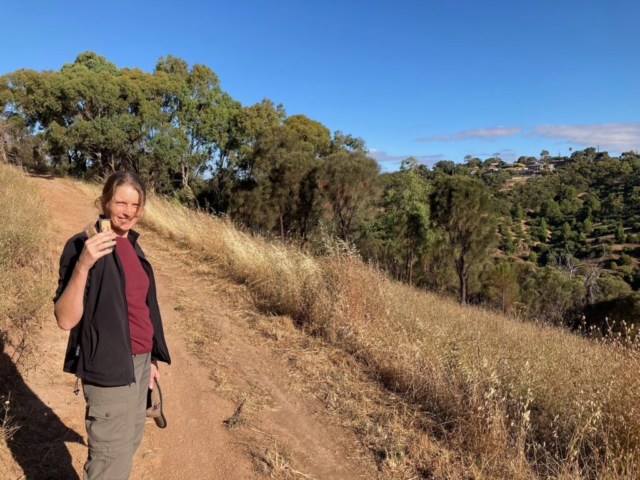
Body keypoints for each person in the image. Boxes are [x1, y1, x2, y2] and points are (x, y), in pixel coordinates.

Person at [54, 171, 171, 479]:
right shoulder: (83, 245)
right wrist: (84, 264)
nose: (128, 211)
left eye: (136, 204)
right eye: (121, 202)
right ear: (105, 201)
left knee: (128, 445)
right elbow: (65, 318)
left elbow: (140, 309)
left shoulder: (131, 244)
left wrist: (151, 360)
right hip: (108, 368)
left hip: (140, 364)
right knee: (109, 463)